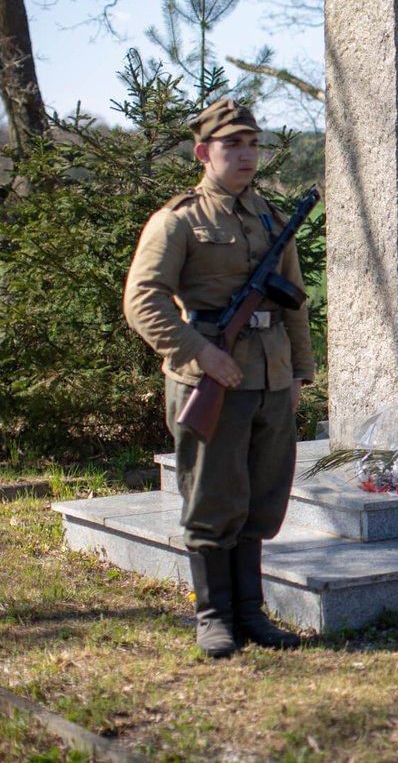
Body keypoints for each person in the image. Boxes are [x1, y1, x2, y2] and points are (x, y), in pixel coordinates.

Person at [124, 99, 314, 656]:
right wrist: (201, 355)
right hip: (210, 376)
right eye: (233, 145)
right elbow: (143, 300)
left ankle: (251, 614)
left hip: (270, 378)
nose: (246, 155)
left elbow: (294, 304)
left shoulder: (272, 219)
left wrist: (298, 375)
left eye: (253, 144)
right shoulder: (179, 220)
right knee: (213, 498)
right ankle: (213, 616)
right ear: (203, 152)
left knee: (261, 499)